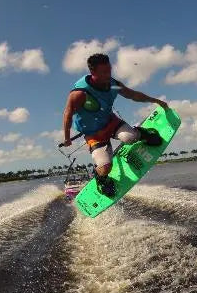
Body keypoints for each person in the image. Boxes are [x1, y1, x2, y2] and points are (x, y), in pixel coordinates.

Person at [62, 53, 169, 197]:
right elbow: (67, 114)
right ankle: (101, 179)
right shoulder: (80, 93)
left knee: (130, 137)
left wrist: (155, 100)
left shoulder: (113, 85)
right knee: (105, 168)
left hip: (111, 123)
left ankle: (144, 133)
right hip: (94, 135)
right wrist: (67, 137)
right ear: (92, 72)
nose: (108, 75)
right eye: (104, 72)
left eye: (109, 70)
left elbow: (133, 95)